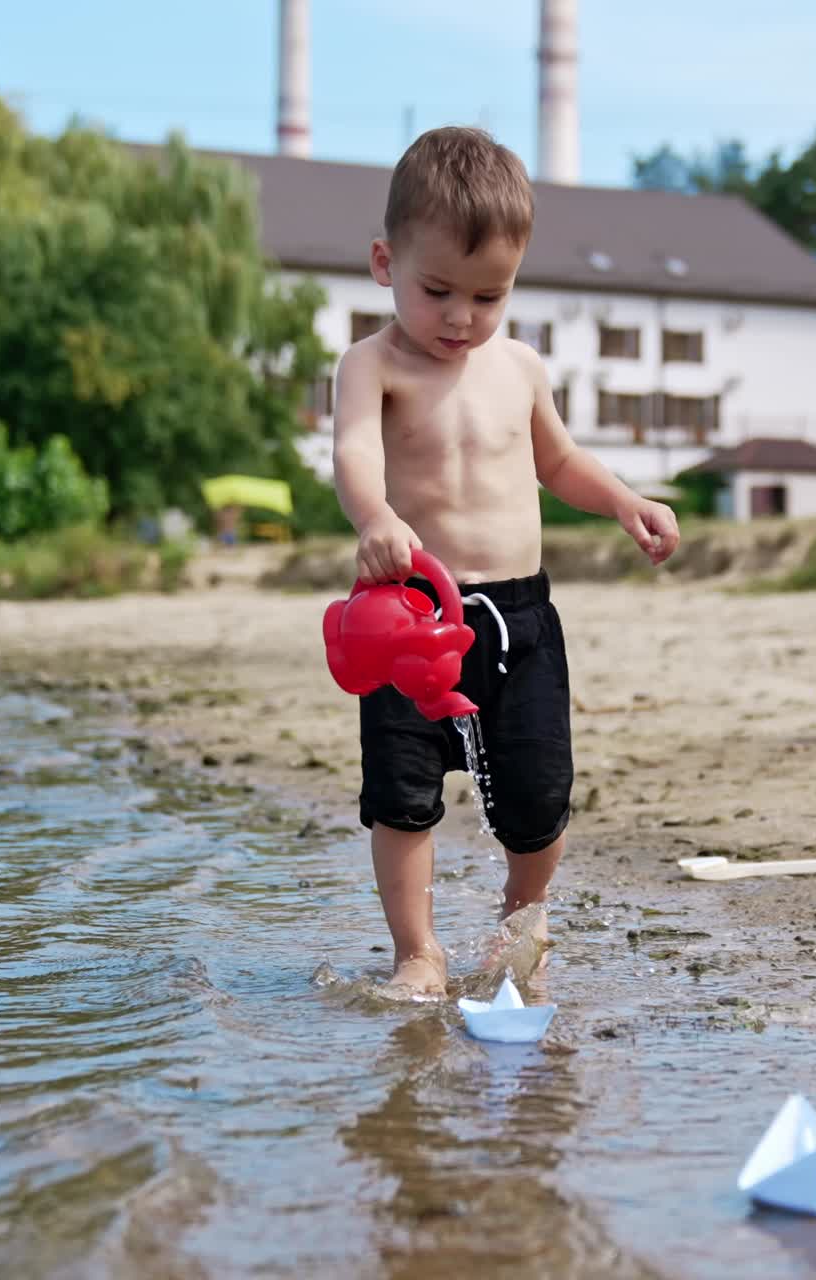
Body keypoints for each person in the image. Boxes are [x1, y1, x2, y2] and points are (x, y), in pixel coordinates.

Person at [333, 126, 680, 995]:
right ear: (385, 263)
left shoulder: (519, 367)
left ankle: (523, 921)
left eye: (489, 296)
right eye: (438, 289)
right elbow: (353, 457)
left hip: (519, 616)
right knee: (403, 794)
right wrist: (374, 515)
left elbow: (558, 463)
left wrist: (627, 501)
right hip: (413, 616)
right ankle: (418, 951)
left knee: (538, 794)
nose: (461, 317)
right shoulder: (371, 365)